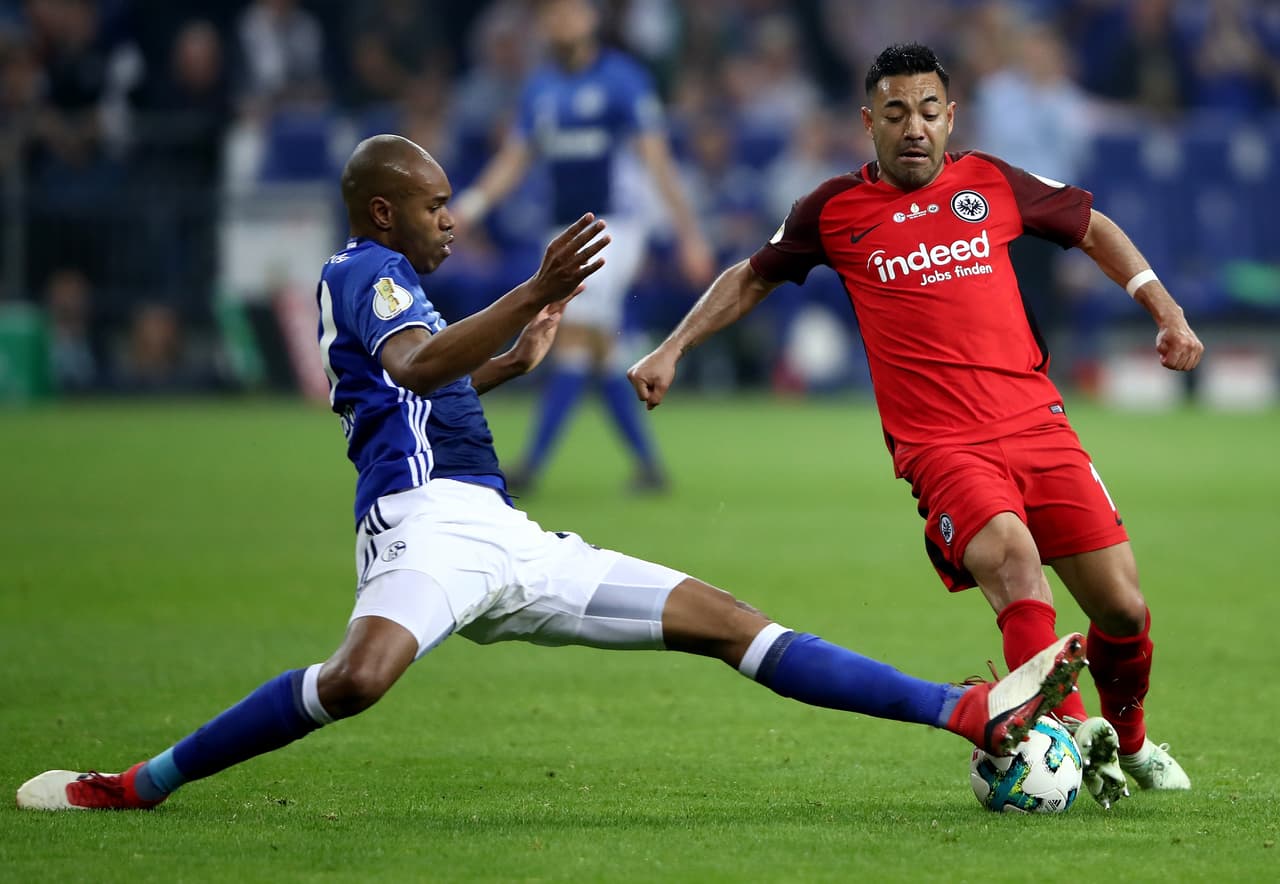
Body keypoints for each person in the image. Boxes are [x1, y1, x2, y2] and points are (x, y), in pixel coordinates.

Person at [15, 134, 1087, 812]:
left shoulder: (400, 281)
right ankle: (139, 783)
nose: (450, 217)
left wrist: (507, 362)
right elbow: (414, 365)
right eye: (437, 205)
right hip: (423, 530)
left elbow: (430, 380)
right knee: (355, 680)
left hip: (505, 534)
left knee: (727, 620)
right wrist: (526, 300)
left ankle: (959, 708)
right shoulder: (361, 270)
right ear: (383, 210)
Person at [627, 43, 1203, 810]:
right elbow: (750, 275)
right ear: (868, 122)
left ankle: (1128, 743)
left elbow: (1093, 226)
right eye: (896, 113)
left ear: (950, 116)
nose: (914, 128)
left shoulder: (992, 183)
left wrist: (1164, 310)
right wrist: (673, 347)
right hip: (942, 448)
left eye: (929, 111)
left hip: (1038, 426)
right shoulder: (832, 211)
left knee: (1124, 610)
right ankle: (1069, 737)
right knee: (1013, 562)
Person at [451, 0, 715, 494]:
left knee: (573, 341)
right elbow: (515, 158)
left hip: (615, 226)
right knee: (600, 351)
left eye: (570, 12)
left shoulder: (623, 79)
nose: (561, 21)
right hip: (561, 231)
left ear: (591, 18)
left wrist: (688, 233)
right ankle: (649, 469)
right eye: (552, 15)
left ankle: (529, 466)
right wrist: (469, 207)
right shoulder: (539, 88)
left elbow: (657, 161)